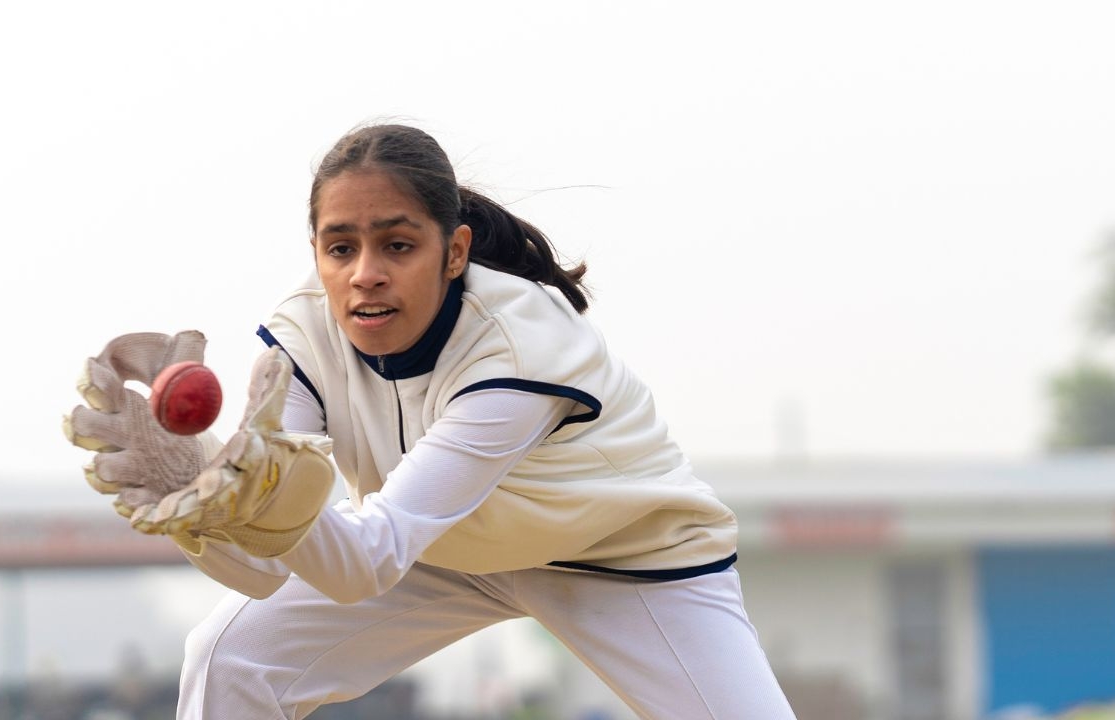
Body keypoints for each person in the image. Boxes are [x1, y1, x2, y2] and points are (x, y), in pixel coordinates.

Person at [64, 123, 796, 719]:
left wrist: (258, 489)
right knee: (229, 658)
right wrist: (204, 500)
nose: (366, 273)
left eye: (398, 245)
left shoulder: (518, 346)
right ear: (316, 254)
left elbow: (363, 562)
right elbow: (263, 568)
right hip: (436, 551)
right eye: (341, 247)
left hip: (622, 560)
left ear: (455, 252)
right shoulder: (303, 338)